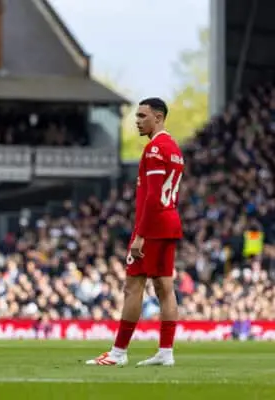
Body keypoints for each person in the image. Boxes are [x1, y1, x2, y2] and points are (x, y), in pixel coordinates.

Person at [87, 98, 183, 367]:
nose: (137, 120)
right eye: (137, 116)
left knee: (133, 287)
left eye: (143, 116)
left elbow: (152, 197)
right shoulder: (174, 148)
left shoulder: (154, 149)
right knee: (165, 288)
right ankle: (166, 352)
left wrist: (140, 234)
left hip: (152, 226)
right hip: (170, 222)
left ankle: (118, 353)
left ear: (159, 117)